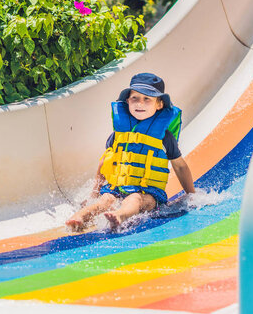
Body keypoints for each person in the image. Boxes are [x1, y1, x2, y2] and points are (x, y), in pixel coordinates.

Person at [66, 72, 196, 232]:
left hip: (149, 193)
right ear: (127, 101)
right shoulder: (118, 135)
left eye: (147, 99)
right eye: (135, 98)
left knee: (135, 199)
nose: (139, 103)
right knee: (105, 200)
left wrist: (192, 194)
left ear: (159, 104)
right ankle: (79, 217)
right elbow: (104, 163)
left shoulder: (164, 138)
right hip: (118, 187)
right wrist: (94, 194)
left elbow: (180, 167)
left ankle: (119, 216)